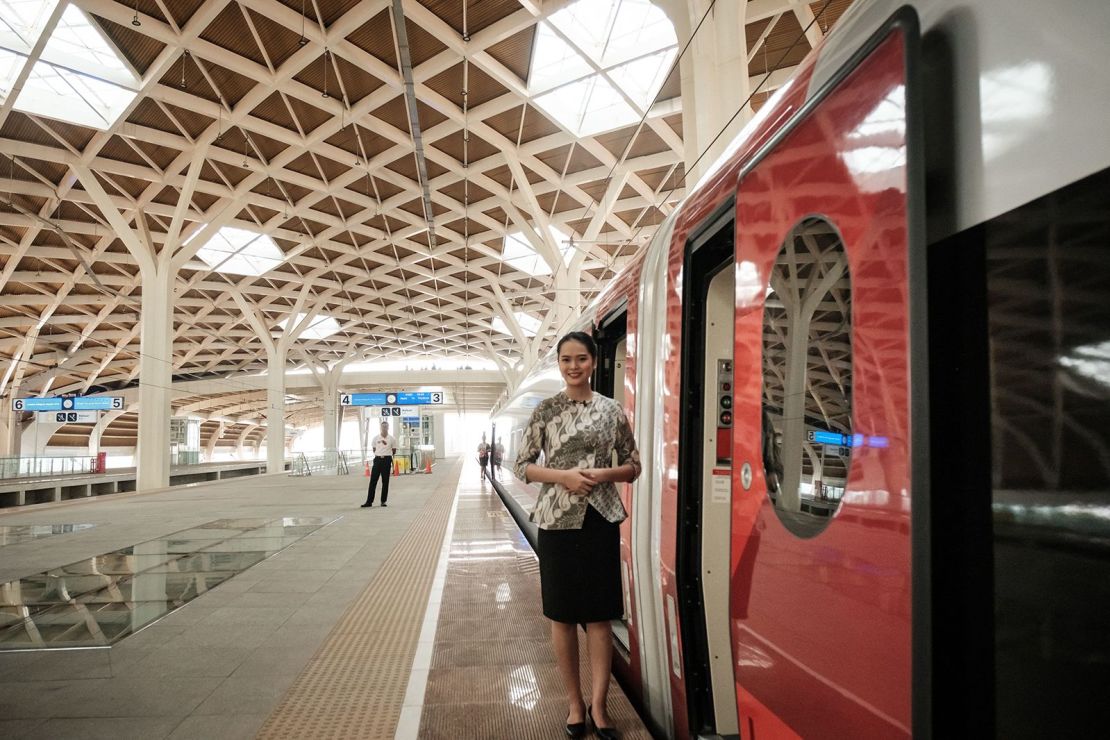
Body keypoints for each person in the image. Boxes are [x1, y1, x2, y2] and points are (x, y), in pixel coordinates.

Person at [514, 331, 640, 740]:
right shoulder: (546, 411)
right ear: (559, 364)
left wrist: (604, 474)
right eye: (566, 360)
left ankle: (600, 706)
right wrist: (563, 477)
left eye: (581, 359)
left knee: (600, 617)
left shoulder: (611, 410)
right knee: (563, 616)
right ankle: (574, 703)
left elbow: (634, 464)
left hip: (601, 519)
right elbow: (523, 465)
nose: (573, 367)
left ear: (593, 361)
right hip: (556, 522)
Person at [362, 421, 397, 507]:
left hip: (387, 460)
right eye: (383, 427)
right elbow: (374, 449)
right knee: (373, 481)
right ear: (380, 428)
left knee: (385, 481)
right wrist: (379, 454)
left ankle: (383, 501)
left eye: (386, 426)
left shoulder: (392, 439)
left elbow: (394, 450)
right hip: (377, 460)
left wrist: (386, 455)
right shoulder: (375, 438)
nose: (384, 428)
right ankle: (369, 501)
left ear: (388, 427)